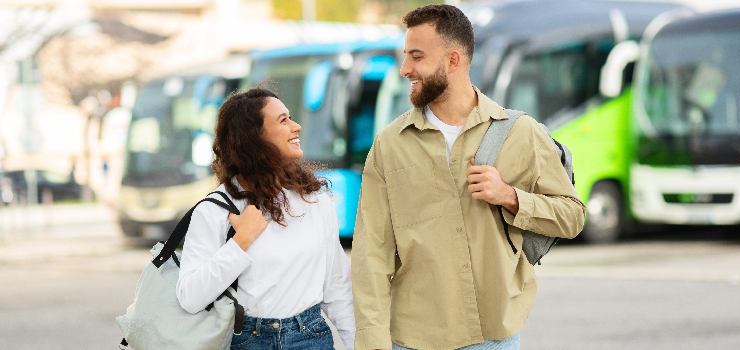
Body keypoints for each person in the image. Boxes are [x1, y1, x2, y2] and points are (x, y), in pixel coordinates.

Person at [351, 4, 586, 350]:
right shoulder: (389, 144)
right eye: (405, 56)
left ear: (453, 60)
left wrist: (510, 196)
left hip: (492, 336)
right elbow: (371, 253)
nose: (404, 69)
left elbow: (573, 216)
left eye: (416, 57)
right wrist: (372, 342)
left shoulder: (520, 132)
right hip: (413, 338)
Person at [176, 86, 355, 350]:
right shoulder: (217, 208)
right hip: (246, 340)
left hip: (310, 337)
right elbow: (190, 297)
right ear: (253, 138)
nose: (297, 127)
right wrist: (240, 244)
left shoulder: (314, 199)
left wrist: (357, 342)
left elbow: (336, 288)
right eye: (283, 120)